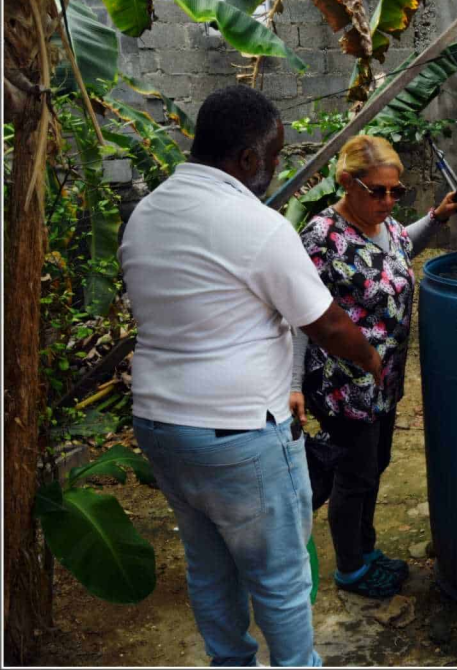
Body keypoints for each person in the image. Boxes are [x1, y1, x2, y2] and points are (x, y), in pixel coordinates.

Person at [120, 86, 382, 667]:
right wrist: (371, 359)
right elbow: (327, 324)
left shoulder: (146, 214)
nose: (276, 167)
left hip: (160, 425)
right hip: (236, 434)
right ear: (246, 158)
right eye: (274, 155)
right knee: (279, 577)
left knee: (208, 566)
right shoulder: (255, 224)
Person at [288, 136, 457, 599]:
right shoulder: (322, 236)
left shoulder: (385, 225)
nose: (388, 201)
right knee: (355, 474)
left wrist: (437, 217)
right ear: (347, 182)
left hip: (384, 378)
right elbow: (300, 316)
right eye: (378, 191)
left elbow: (402, 246)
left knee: (376, 462)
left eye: (395, 192)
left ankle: (365, 549)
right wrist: (292, 383)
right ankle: (351, 568)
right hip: (342, 382)